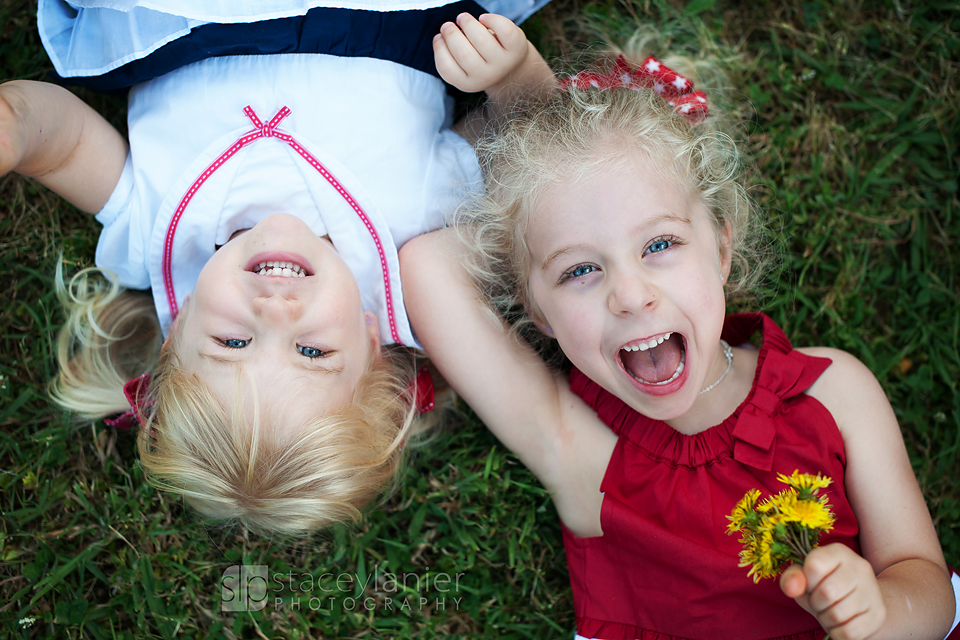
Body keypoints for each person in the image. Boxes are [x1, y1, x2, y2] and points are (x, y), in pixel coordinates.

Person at [406, 37, 960, 640]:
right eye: (580, 270)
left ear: (721, 248)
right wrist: (531, 132)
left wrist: (880, 611)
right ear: (536, 309)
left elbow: (927, 588)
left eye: (659, 245)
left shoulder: (832, 394)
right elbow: (426, 266)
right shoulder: (578, 450)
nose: (629, 293)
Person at [0, 0, 555, 535]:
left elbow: (64, 146)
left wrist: (18, 129)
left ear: (179, 331)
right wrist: (515, 76)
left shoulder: (156, 232)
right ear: (370, 343)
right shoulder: (414, 230)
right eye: (312, 352)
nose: (275, 311)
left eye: (232, 342)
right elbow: (527, 142)